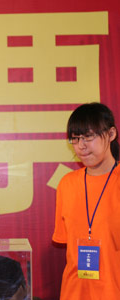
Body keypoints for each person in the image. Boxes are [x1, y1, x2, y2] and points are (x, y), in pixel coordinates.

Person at [53, 102, 120, 299]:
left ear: (111, 134)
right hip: (74, 292)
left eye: (89, 136)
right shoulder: (67, 184)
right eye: (75, 139)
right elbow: (66, 242)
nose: (81, 146)